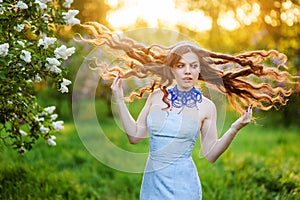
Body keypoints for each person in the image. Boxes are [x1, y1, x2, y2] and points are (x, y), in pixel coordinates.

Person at [77, 22, 294, 200]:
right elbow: (134, 136)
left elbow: (210, 154)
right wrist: (118, 98)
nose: (188, 71)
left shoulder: (206, 107)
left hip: (185, 189)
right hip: (152, 188)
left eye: (193, 65)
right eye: (181, 66)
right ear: (172, 69)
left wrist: (235, 127)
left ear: (200, 69)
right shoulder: (156, 97)